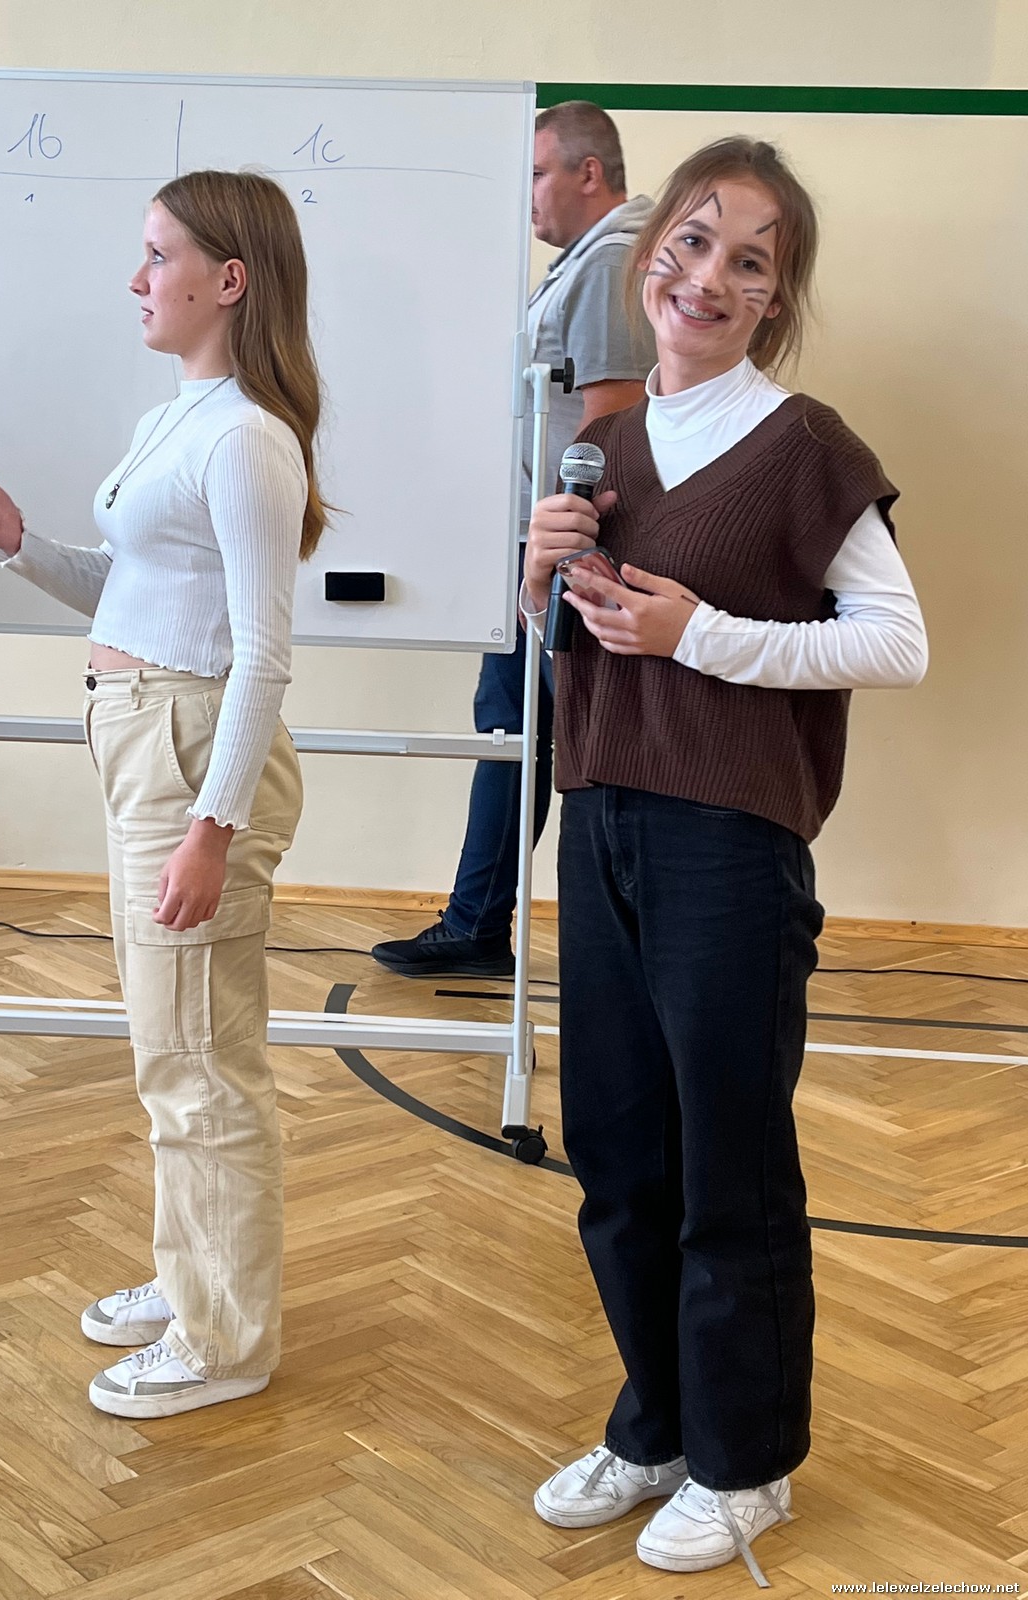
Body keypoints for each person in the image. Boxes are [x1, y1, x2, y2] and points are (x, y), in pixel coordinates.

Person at [522, 138, 928, 1581]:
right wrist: (543, 579)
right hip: (603, 822)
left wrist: (700, 635)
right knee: (618, 1153)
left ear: (773, 298)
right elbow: (582, 648)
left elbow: (897, 643)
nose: (708, 275)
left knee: (728, 1169)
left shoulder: (807, 449)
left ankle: (747, 1463)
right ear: (652, 258)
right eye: (693, 242)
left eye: (749, 261)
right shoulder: (609, 450)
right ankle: (658, 1425)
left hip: (730, 849)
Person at [0, 170, 327, 1420]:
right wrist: (17, 542)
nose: (136, 278)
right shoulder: (178, 417)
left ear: (229, 279)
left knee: (201, 1060)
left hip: (190, 751)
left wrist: (213, 828)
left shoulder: (248, 438)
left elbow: (262, 657)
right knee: (172, 1046)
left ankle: (225, 1342)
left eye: (158, 255)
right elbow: (130, 589)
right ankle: (193, 1278)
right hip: (144, 739)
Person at [371, 102, 655, 978]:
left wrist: (569, 552)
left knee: (559, 738)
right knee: (511, 730)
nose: (524, 194)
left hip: (571, 548)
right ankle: (477, 922)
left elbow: (614, 418)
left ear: (588, 173)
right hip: (540, 546)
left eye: (535, 173)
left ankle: (565, 935)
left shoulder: (611, 261)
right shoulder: (585, 263)